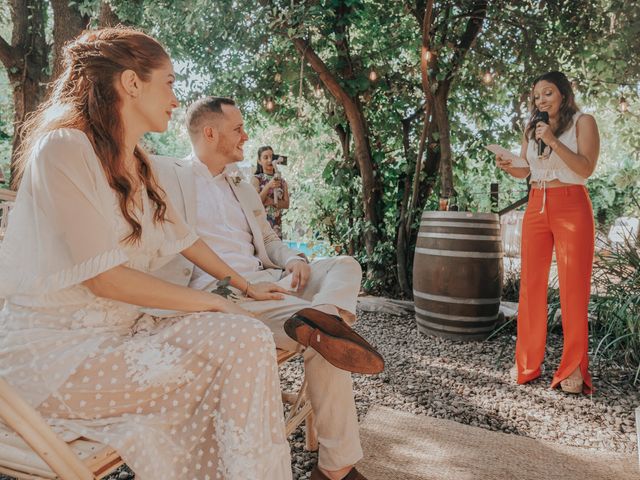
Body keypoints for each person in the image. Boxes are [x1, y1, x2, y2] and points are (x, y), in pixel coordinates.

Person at [0, 28, 294, 479]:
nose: (176, 99)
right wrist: (216, 302)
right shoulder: (62, 149)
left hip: (120, 336)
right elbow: (106, 279)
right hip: (56, 360)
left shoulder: (137, 160)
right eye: (170, 82)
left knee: (245, 338)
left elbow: (185, 238)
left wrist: (245, 286)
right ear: (132, 82)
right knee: (239, 344)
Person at [151, 96, 383, 480]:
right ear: (209, 132)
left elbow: (270, 240)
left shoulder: (240, 184)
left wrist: (293, 259)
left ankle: (322, 320)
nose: (246, 136)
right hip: (223, 295)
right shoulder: (169, 175)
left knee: (344, 265)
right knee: (325, 345)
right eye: (237, 128)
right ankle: (336, 468)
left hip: (271, 282)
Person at [495, 71, 600, 395]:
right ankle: (527, 363)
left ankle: (572, 369)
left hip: (571, 204)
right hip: (537, 204)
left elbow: (585, 168)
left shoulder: (583, 122)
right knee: (531, 288)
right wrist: (509, 165)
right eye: (537, 95)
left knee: (573, 290)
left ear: (564, 95)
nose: (541, 100)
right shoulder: (532, 128)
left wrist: (553, 139)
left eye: (548, 93)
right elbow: (526, 170)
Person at [251, 146, 289, 239]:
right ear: (259, 161)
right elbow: (255, 202)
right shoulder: (256, 179)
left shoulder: (282, 182)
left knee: (277, 252)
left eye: (271, 157)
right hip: (260, 224)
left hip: (276, 225)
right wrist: (268, 186)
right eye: (265, 157)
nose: (269, 160)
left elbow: (286, 204)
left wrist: (271, 201)